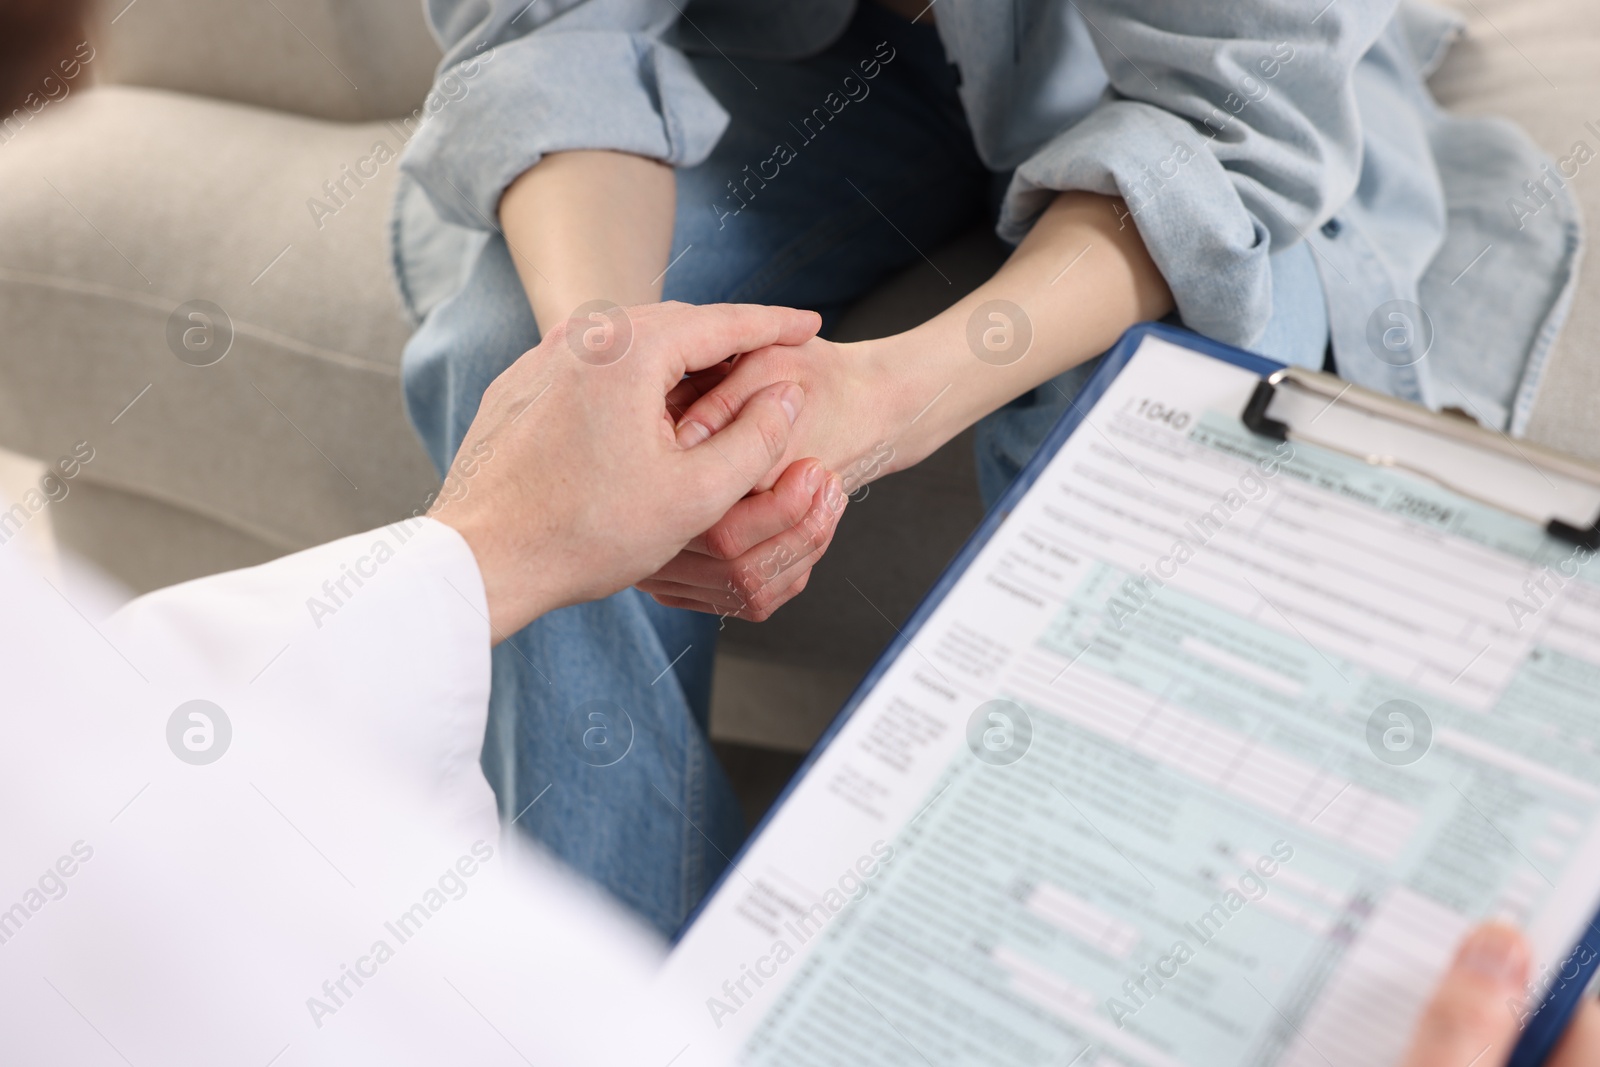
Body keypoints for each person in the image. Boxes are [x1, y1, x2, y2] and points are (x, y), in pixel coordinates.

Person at [391, 0, 1582, 934]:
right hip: (804, 62)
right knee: (523, 367)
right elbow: (549, 28)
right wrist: (606, 372)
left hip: (1166, 81)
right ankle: (603, 1014)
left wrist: (887, 401)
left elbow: (1225, 131)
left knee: (1151, 392)